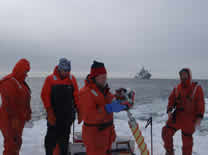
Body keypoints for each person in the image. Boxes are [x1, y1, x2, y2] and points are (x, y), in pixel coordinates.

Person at [77, 60, 133, 155]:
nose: (104, 80)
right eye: (102, 77)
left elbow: (110, 100)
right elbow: (90, 115)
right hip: (94, 139)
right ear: (95, 77)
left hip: (106, 138)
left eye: (105, 77)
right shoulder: (85, 93)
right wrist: (108, 109)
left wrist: (121, 97)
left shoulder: (104, 90)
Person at [162, 68, 205, 155]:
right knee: (166, 131)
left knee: (187, 143)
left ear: (189, 75)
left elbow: (200, 103)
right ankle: (169, 152)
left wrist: (199, 117)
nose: (183, 76)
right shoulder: (177, 88)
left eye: (185, 74)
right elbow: (171, 100)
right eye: (181, 75)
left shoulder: (197, 88)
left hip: (189, 119)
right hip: (177, 116)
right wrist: (169, 110)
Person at [41, 58, 79, 155]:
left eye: (68, 70)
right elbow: (44, 95)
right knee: (50, 141)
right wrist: (49, 112)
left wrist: (78, 110)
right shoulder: (50, 79)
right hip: (54, 117)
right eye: (64, 70)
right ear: (59, 68)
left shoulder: (72, 79)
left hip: (67, 118)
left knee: (64, 142)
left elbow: (76, 96)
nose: (66, 72)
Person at [0, 58, 32, 155]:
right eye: (25, 71)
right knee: (10, 145)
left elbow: (26, 100)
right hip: (9, 120)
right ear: (20, 69)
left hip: (19, 121)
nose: (26, 74)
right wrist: (15, 120)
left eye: (27, 71)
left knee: (17, 144)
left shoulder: (22, 83)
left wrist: (28, 113)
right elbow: (10, 104)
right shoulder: (8, 82)